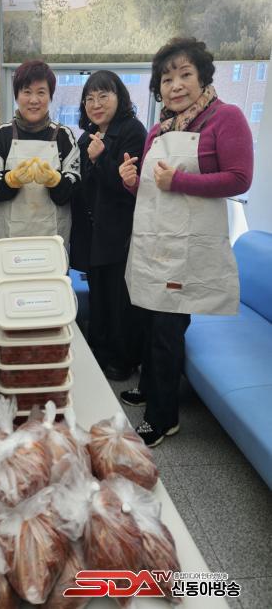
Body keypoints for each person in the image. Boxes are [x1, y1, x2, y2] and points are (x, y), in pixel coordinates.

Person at [119, 37, 253, 447]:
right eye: (166, 78)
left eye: (184, 75)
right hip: (154, 241)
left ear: (203, 77)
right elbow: (150, 189)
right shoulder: (159, 128)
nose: (175, 85)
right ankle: (151, 388)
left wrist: (179, 180)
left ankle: (163, 418)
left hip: (189, 247)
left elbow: (239, 178)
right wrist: (131, 182)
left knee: (167, 329)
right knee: (149, 320)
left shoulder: (225, 118)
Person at [70, 70, 147, 380]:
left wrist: (101, 158)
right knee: (99, 295)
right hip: (93, 233)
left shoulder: (133, 131)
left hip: (120, 233)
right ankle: (99, 352)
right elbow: (83, 187)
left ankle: (123, 358)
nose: (96, 104)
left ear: (120, 97)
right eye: (89, 98)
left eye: (103, 96)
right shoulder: (86, 137)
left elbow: (128, 187)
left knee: (119, 300)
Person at [0, 59, 80, 245]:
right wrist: (9, 180)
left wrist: (56, 181)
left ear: (50, 96)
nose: (34, 100)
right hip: (8, 237)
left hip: (52, 238)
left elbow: (74, 187)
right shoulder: (2, 134)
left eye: (41, 92)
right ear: (17, 96)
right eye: (27, 92)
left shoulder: (64, 136)